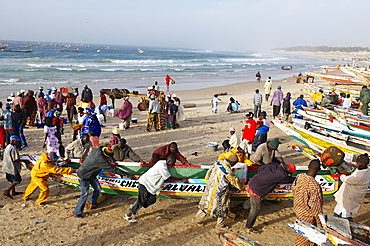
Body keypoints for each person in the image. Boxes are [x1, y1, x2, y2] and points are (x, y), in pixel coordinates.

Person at [124, 155, 188, 222]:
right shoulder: (162, 166)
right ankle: (128, 215)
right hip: (145, 183)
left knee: (151, 200)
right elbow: (168, 177)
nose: (173, 164)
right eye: (173, 162)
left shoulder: (162, 163)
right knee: (141, 200)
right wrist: (181, 179)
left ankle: (135, 207)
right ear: (169, 161)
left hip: (151, 186)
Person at [73, 147, 134, 217]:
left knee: (98, 189)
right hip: (84, 176)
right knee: (85, 194)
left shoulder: (96, 150)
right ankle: (77, 212)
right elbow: (113, 169)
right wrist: (127, 174)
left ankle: (91, 202)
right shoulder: (101, 160)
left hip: (92, 175)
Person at [193, 154, 244, 228]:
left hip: (210, 188)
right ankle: (220, 225)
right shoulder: (228, 172)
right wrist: (241, 185)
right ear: (233, 163)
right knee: (222, 208)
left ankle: (196, 220)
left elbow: (208, 173)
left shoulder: (218, 163)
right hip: (219, 192)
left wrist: (208, 179)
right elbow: (236, 182)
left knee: (205, 206)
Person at [244, 161, 296, 232]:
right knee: (255, 209)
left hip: (253, 182)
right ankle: (248, 226)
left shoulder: (273, 164)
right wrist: (297, 177)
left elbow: (260, 169)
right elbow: (289, 180)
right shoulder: (283, 175)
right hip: (257, 189)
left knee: (253, 200)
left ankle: (243, 206)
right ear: (288, 171)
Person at [292, 160, 323, 246]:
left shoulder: (300, 176)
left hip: (297, 209)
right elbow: (315, 207)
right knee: (304, 239)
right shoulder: (315, 186)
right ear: (319, 169)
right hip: (307, 215)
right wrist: (320, 222)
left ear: (308, 167)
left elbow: (293, 188)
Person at [334, 153, 370, 221]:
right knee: (342, 210)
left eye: (359, 164)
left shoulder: (359, 175)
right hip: (354, 194)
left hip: (350, 196)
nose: (358, 165)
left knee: (345, 213)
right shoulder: (367, 170)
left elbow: (346, 180)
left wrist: (339, 175)